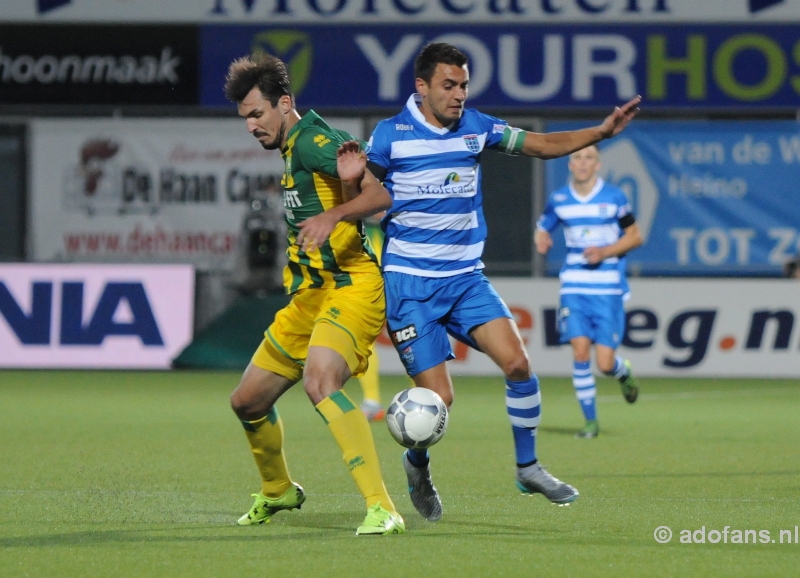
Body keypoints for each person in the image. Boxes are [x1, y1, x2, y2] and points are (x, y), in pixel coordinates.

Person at [364, 42, 640, 521]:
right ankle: (417, 465)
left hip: (466, 281)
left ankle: (528, 467)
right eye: (449, 86)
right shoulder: (390, 138)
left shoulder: (477, 127)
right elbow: (359, 195)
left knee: (518, 364)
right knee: (438, 403)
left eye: (464, 85)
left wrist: (601, 131)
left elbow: (541, 145)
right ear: (422, 86)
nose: (459, 95)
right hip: (410, 288)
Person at [224, 52, 404, 536]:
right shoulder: (291, 148)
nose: (251, 126)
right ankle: (279, 490)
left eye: (257, 114)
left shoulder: (315, 141)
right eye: (245, 118)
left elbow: (380, 196)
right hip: (309, 297)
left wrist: (333, 216)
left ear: (285, 103)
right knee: (247, 402)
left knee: (320, 383)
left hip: (351, 285)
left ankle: (383, 507)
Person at [535, 145, 643, 439]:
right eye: (577, 158)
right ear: (570, 164)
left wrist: (606, 251)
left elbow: (635, 236)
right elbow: (543, 226)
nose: (583, 163)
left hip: (607, 289)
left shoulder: (614, 197)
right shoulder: (559, 199)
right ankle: (590, 423)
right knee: (580, 353)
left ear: (597, 165)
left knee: (604, 363)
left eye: (589, 158)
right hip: (573, 286)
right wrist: (541, 239)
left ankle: (622, 372)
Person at [358, 215, 387, 422]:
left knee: (413, 336)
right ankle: (372, 400)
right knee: (365, 339)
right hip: (370, 274)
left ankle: (424, 395)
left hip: (396, 268)